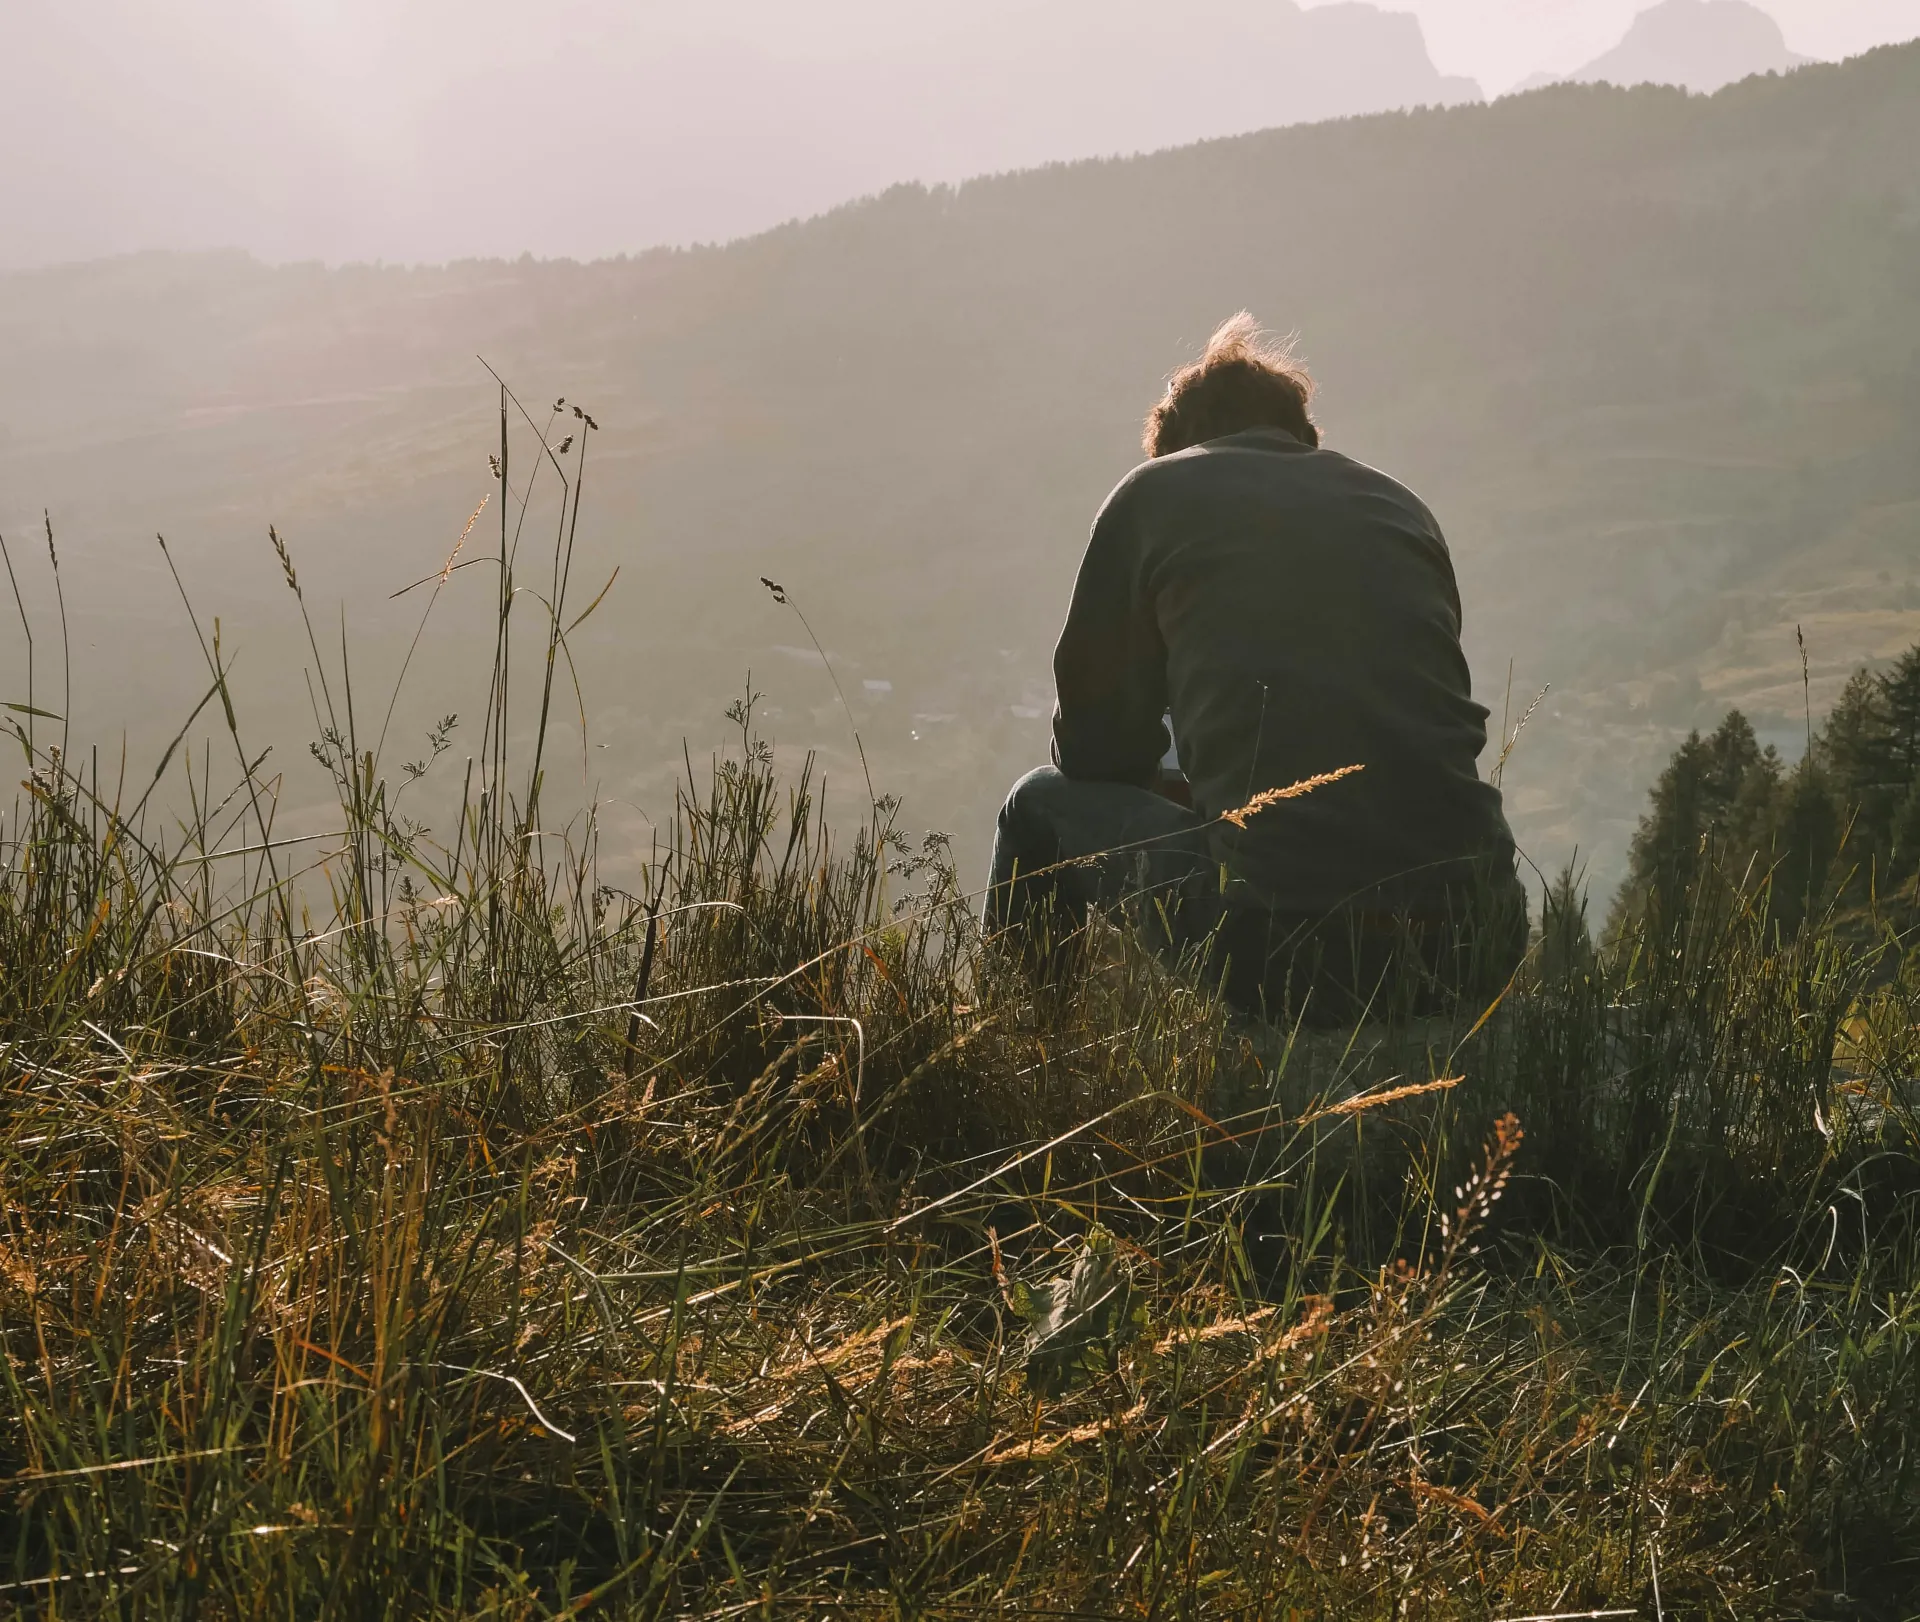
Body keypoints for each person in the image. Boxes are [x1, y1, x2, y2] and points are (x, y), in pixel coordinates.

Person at [985, 314, 1528, 1026]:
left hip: (1287, 951)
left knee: (1036, 808)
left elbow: (1095, 753)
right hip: (1477, 942)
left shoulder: (1152, 494)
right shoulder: (1402, 508)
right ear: (1299, 436)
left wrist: (1187, 778)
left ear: (1176, 447)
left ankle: (1025, 1059)